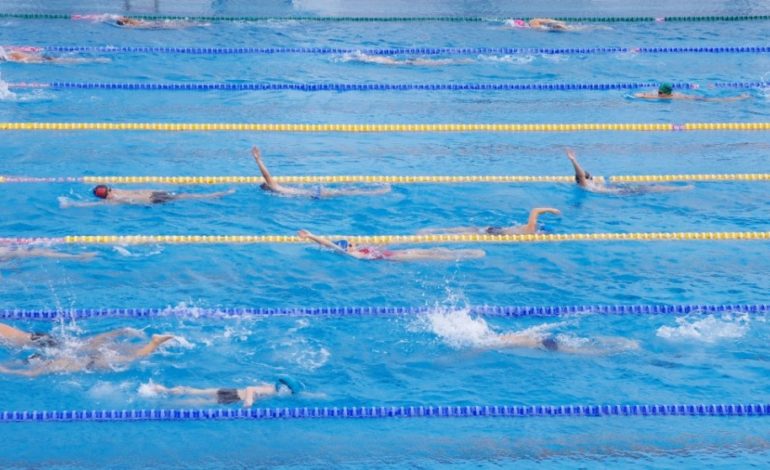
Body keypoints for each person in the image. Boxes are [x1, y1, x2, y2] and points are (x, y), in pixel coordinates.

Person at [0, 329, 174, 377]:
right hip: (39, 339)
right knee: (82, 346)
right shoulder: (51, 362)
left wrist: (6, 371)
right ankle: (119, 332)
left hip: (91, 362)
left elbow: (30, 373)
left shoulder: (50, 365)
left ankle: (154, 343)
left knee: (131, 358)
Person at [252, 147, 390, 198]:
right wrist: (258, 160)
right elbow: (267, 176)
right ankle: (376, 191)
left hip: (314, 194)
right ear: (268, 186)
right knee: (347, 191)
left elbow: (267, 178)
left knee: (346, 192)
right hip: (314, 193)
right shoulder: (276, 187)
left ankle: (375, 191)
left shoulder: (279, 192)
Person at [298, 229, 485, 261]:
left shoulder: (357, 250)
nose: (353, 243)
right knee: (428, 255)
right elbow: (328, 244)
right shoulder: (352, 254)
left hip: (390, 254)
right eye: (350, 244)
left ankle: (464, 251)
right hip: (392, 258)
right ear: (347, 248)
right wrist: (311, 236)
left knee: (425, 251)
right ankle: (462, 254)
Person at [566, 148, 692, 195]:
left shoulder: (586, 186)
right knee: (651, 188)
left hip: (618, 190)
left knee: (650, 188)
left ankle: (677, 188)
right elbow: (581, 175)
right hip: (619, 192)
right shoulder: (584, 184)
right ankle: (679, 189)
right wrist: (573, 160)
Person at [143, 378, 300, 407]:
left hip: (230, 391)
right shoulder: (271, 390)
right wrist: (249, 402)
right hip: (232, 397)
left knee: (197, 391)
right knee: (200, 402)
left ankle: (162, 389)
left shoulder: (271, 386)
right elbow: (251, 389)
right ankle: (169, 404)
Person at [417, 208, 561, 236]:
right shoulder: (530, 231)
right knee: (467, 233)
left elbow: (535, 210)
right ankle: (432, 232)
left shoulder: (531, 228)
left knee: (466, 229)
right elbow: (534, 211)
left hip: (496, 229)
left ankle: (432, 231)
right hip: (497, 233)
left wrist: (550, 210)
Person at [494, 328, 640, 355]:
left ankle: (625, 346)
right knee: (589, 349)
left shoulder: (493, 342)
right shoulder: (501, 338)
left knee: (590, 352)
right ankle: (625, 345)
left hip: (546, 345)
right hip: (544, 341)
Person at [61, 186, 235, 207]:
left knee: (186, 197)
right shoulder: (117, 191)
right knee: (185, 195)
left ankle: (212, 196)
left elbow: (93, 205)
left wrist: (72, 204)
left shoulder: (111, 200)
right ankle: (213, 195)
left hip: (153, 199)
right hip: (153, 194)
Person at [634, 82, 749, 101]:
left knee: (715, 100)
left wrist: (642, 96)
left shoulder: (672, 97)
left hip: (693, 99)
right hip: (690, 97)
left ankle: (738, 98)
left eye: (660, 92)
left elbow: (643, 96)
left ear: (664, 93)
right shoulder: (663, 94)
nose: (658, 93)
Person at [341, 51, 474, 66]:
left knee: (440, 63)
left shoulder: (377, 61)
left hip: (408, 63)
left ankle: (461, 61)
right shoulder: (378, 60)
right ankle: (461, 61)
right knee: (442, 63)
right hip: (407, 63)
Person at [0, 46, 108, 64]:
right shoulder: (9, 54)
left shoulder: (10, 57)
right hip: (37, 58)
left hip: (40, 60)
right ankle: (96, 59)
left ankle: (96, 60)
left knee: (59, 61)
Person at [0, 244, 96, 261]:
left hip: (9, 253)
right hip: (9, 253)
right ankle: (77, 257)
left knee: (44, 251)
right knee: (42, 252)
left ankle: (77, 257)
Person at [113, 16, 210, 29]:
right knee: (177, 24)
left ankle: (199, 24)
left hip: (155, 24)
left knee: (178, 23)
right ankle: (200, 24)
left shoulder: (136, 23)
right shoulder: (135, 24)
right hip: (155, 25)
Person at [505, 18, 571, 31]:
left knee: (551, 26)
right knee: (551, 25)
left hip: (532, 25)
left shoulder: (533, 23)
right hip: (531, 24)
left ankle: (559, 24)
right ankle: (559, 24)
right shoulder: (533, 21)